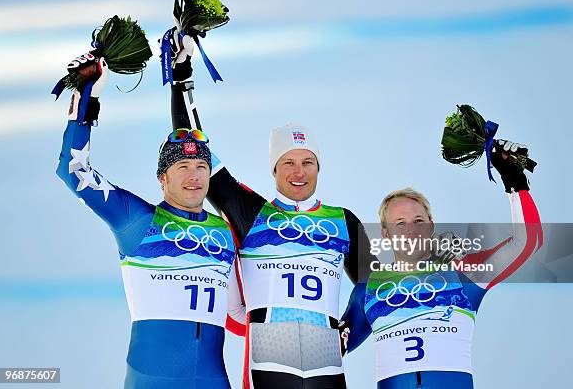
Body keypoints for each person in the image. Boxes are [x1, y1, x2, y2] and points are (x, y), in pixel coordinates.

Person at [164, 31, 372, 389]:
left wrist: (348, 331)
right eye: (288, 162)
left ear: (319, 167)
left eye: (308, 162)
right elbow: (195, 147)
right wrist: (182, 78)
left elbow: (376, 283)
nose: (298, 171)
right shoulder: (253, 214)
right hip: (268, 351)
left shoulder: (343, 221)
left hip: (325, 356)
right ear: (274, 169)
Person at [56, 55, 238, 389]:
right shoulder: (138, 220)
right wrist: (87, 97)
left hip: (214, 381)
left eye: (200, 167)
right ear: (162, 179)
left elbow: (242, 311)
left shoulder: (225, 233)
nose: (194, 176)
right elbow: (73, 171)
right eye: (182, 167)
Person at [341, 140, 544, 388]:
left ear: (431, 225)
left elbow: (526, 243)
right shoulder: (368, 290)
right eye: (400, 224)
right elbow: (329, 350)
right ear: (386, 234)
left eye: (418, 221)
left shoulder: (463, 274)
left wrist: (515, 184)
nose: (411, 231)